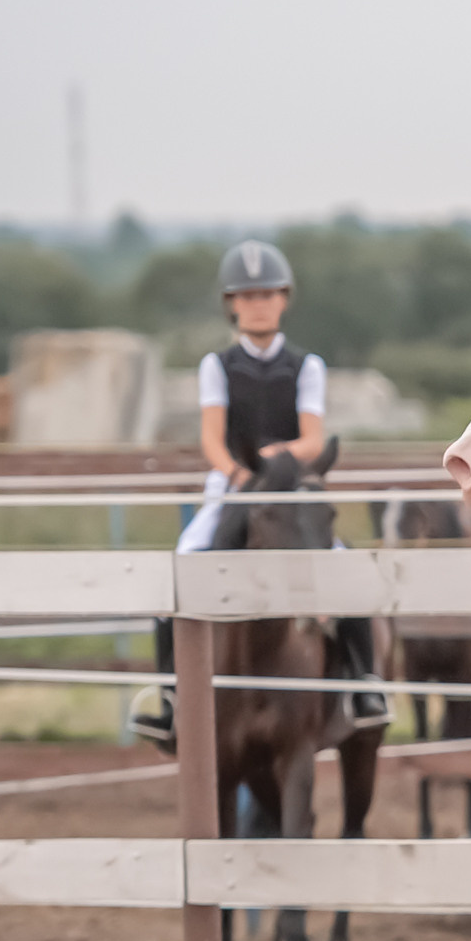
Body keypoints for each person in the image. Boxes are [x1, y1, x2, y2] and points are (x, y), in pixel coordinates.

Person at [131, 238, 336, 749]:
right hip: (235, 485)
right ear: (232, 304)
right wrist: (241, 475)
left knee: (342, 571)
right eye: (247, 296)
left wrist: (273, 466)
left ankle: (361, 688)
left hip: (290, 488)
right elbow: (210, 437)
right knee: (178, 573)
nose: (258, 303)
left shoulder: (306, 365)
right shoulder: (216, 366)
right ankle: (171, 700)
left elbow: (313, 439)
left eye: (267, 294)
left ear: (284, 298)